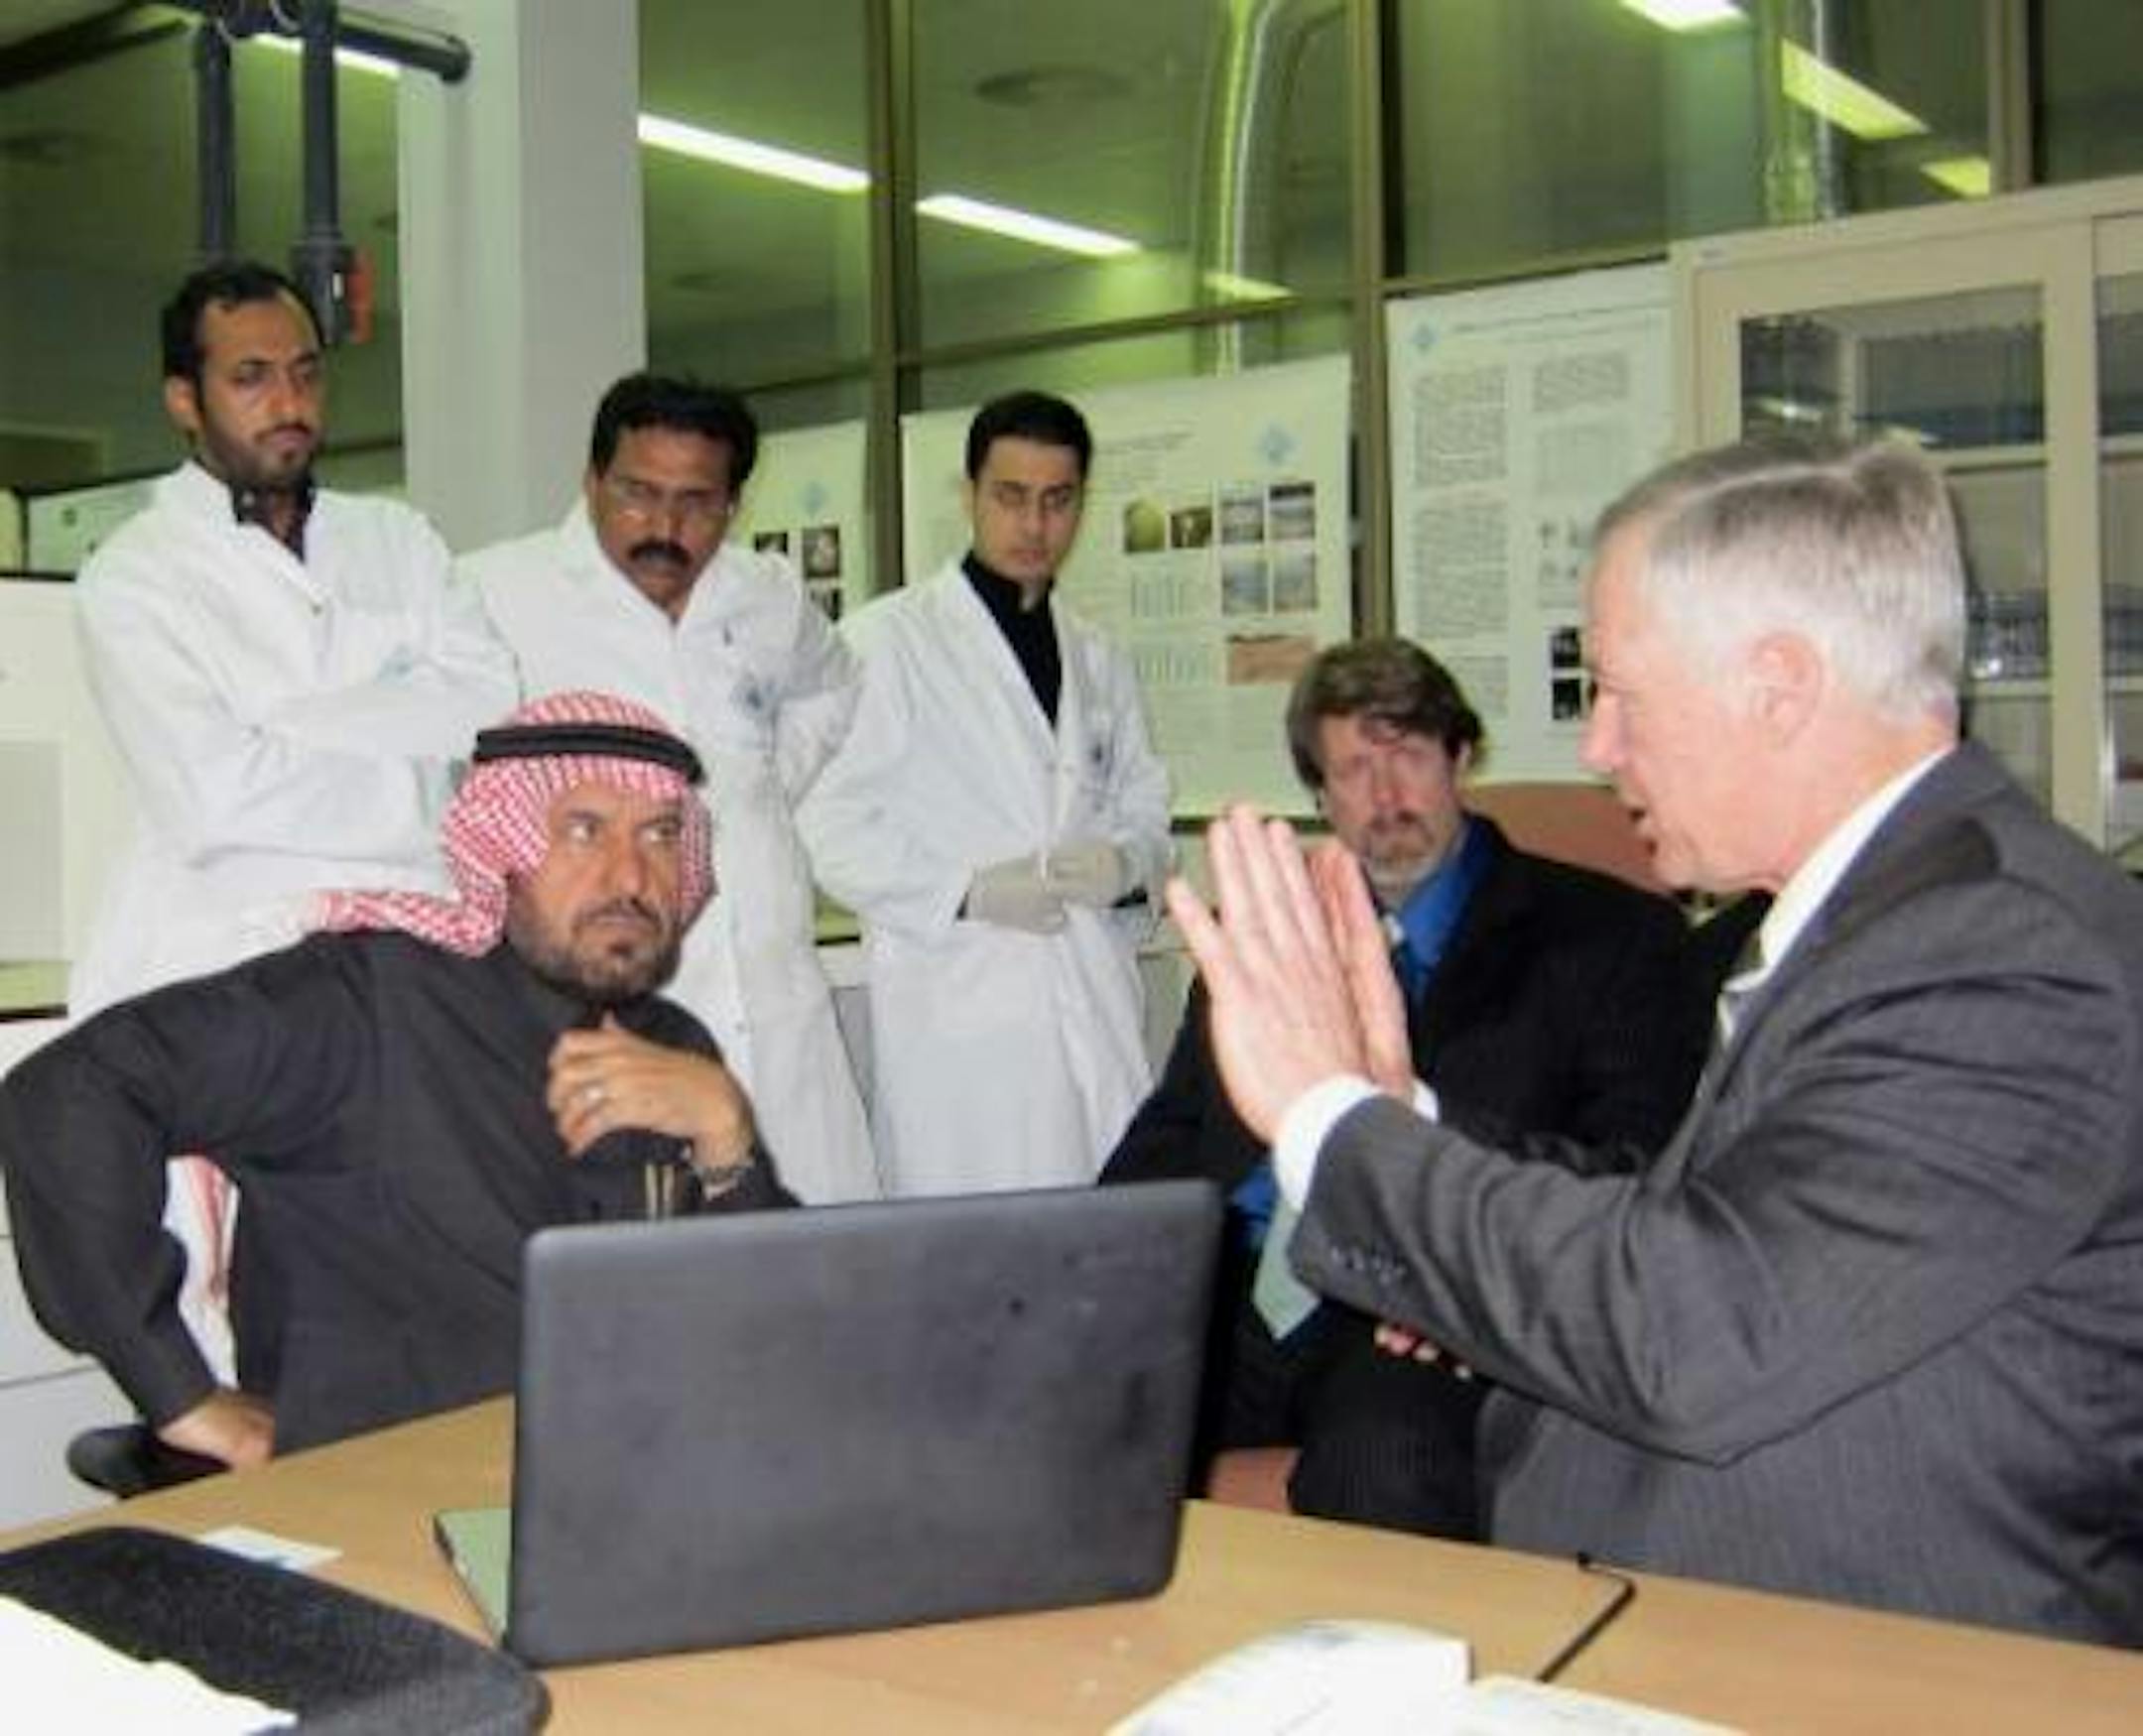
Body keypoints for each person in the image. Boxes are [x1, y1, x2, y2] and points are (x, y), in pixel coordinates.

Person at [1167, 436, 2143, 1645]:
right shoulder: (1885, 913)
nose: (1596, 747)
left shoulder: (2002, 956)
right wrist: (1405, 1113)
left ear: (1778, 684)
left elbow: (1692, 1325)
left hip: (1875, 1662)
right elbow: (1703, 1219)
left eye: (1622, 692)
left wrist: (1327, 1118)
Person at [0, 692, 790, 1467]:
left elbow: (761, 1329)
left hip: (621, 1478)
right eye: (583, 831)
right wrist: (182, 1396)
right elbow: (70, 1095)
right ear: (504, 848)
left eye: (659, 835)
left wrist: (727, 1138)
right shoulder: (362, 1001)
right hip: (382, 1491)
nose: (632, 877)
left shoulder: (675, 1047)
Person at [1103, 639, 1702, 1537]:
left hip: (1426, 1307)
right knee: (1076, 1408)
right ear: (1320, 794)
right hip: (1245, 1285)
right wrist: (1084, 1272)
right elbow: (1175, 1128)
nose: (1386, 798)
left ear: (1461, 760)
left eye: (1410, 758)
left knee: (1386, 1456)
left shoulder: (1611, 939)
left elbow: (1634, 1174)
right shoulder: (1268, 939)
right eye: (1353, 769)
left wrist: (1454, 1254)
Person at [69, 259, 516, 1371]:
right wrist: (405, 753)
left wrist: (290, 726)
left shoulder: (397, 539)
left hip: (409, 966)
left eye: (305, 371)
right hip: (231, 967)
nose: (289, 401)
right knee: (260, 1303)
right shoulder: (134, 578)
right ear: (186, 399)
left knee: (412, 1281)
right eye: (252, 376)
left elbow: (491, 704)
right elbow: (214, 796)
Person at [465, 374, 875, 1204]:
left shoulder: (764, 596)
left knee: (823, 1278)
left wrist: (755, 795)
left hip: (774, 1002)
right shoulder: (495, 596)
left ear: (733, 504)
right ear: (591, 481)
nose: (663, 527)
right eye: (637, 494)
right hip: (612, 1004)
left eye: (696, 503)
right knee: (648, 1283)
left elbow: (833, 689)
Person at [800, 390, 1172, 1194]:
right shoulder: (888, 643)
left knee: (1108, 1255)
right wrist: (965, 893)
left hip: (1091, 997)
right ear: (968, 495)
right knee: (979, 1268)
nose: (1035, 524)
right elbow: (828, 824)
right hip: (963, 1023)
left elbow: (1145, 804)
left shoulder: (1099, 655)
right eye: (1010, 497)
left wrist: (1127, 861)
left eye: (1057, 500)